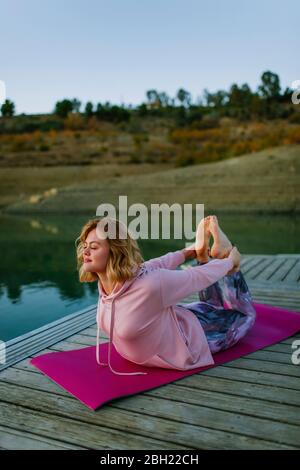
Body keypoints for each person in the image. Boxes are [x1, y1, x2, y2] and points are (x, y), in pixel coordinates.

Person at [75, 215, 256, 376]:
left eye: (94, 247)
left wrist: (230, 262)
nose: (86, 251)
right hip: (176, 323)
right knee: (211, 307)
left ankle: (230, 263)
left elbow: (196, 277)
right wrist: (188, 252)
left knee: (245, 317)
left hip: (191, 342)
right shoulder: (108, 287)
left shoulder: (150, 285)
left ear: (114, 252)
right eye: (84, 246)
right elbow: (157, 263)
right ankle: (202, 255)